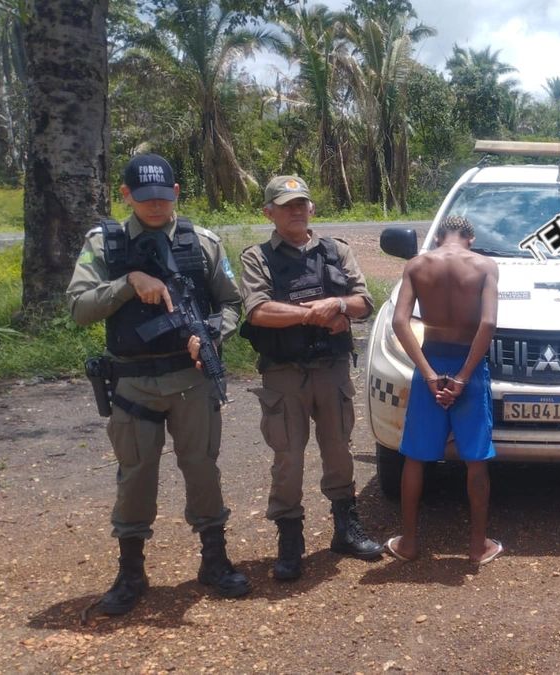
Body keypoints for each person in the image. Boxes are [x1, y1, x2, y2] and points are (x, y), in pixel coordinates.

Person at [68, 153, 249, 615]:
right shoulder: (104, 244)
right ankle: (131, 573)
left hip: (191, 379)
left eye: (164, 197)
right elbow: (79, 308)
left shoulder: (201, 242)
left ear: (176, 194)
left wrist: (211, 334)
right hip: (133, 383)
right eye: (145, 197)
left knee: (202, 469)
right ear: (126, 195)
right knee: (135, 476)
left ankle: (214, 560)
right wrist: (128, 283)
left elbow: (232, 303)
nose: (155, 205)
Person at [237, 175, 383, 581]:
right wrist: (314, 314)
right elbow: (258, 311)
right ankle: (290, 540)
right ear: (269, 213)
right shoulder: (257, 258)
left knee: (339, 450)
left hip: (331, 369)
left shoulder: (337, 251)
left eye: (301, 203)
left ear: (312, 208)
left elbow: (364, 301)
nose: (296, 210)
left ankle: (346, 529)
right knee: (288, 456)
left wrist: (338, 304)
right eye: (286, 205)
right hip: (284, 373)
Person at [384, 215, 503, 565]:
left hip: (431, 363)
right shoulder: (485, 266)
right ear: (471, 238)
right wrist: (463, 377)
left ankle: (409, 543)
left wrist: (429, 374)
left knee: (416, 457)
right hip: (470, 365)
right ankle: (477, 546)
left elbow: (399, 321)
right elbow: (488, 323)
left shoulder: (417, 265)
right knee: (476, 460)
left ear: (437, 237)